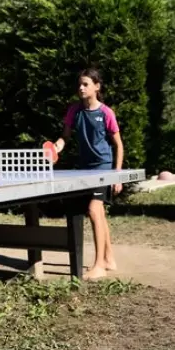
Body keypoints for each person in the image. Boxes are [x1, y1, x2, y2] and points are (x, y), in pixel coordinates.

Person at [54, 67, 125, 281]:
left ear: (97, 87)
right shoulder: (74, 111)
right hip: (85, 167)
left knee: (94, 210)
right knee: (99, 213)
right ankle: (110, 258)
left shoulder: (106, 113)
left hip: (103, 166)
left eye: (86, 84)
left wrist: (117, 174)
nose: (81, 88)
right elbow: (65, 137)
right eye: (79, 84)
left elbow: (118, 145)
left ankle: (99, 265)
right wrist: (56, 147)